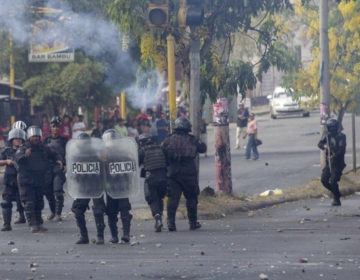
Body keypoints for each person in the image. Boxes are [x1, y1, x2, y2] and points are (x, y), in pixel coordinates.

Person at [15, 126, 63, 233]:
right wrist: (24, 156)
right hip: (27, 180)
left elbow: (54, 154)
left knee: (39, 203)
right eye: (33, 136)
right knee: (30, 203)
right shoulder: (24, 148)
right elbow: (17, 158)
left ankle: (39, 223)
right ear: (29, 137)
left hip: (39, 179)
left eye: (37, 136)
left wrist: (59, 160)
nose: (36, 138)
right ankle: (32, 224)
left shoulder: (43, 147)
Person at [161, 117, 207, 231]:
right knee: (191, 198)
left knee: (172, 199)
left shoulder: (168, 140)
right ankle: (193, 223)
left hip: (172, 173)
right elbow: (203, 148)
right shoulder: (192, 139)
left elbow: (162, 153)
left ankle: (171, 223)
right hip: (189, 172)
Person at [138, 133, 167, 232]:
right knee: (160, 198)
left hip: (151, 178)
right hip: (163, 177)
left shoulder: (142, 151)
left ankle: (157, 217)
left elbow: (137, 163)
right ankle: (160, 218)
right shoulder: (160, 148)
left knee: (152, 198)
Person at [0, 128, 27, 231]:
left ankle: (24, 218)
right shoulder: (7, 151)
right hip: (9, 180)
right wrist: (6, 161)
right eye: (15, 138)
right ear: (12, 139)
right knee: (6, 202)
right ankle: (7, 224)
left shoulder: (25, 150)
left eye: (19, 138)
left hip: (22, 180)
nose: (18, 140)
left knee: (23, 202)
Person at [43, 116, 68, 221]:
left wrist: (66, 165)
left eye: (57, 126)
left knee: (57, 190)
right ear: (50, 127)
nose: (56, 128)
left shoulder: (64, 140)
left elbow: (68, 154)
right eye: (54, 126)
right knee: (48, 192)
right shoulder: (46, 140)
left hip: (59, 168)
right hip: (48, 169)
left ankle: (58, 214)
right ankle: (53, 212)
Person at [318, 118, 346, 206]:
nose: (332, 129)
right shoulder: (327, 136)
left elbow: (341, 150)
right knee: (324, 180)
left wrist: (334, 155)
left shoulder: (342, 136)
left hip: (338, 163)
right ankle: (337, 193)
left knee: (333, 181)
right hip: (329, 163)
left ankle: (336, 199)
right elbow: (319, 144)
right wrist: (325, 146)